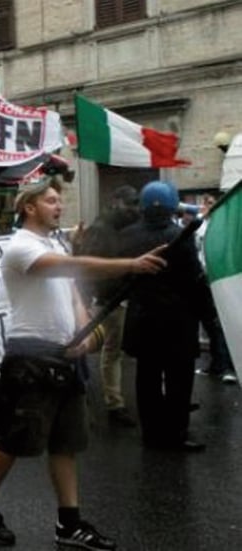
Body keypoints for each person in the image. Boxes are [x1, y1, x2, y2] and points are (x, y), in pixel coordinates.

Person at [0, 178, 166, 549]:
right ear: (29, 207)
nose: (59, 206)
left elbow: (73, 289)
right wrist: (130, 265)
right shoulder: (21, 247)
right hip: (30, 356)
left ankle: (68, 524)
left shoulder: (53, 241)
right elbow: (71, 266)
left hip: (65, 359)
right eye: (51, 200)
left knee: (65, 443)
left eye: (60, 200)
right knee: (15, 438)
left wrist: (84, 333)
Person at [119, 180, 210, 451]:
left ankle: (151, 433)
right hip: (177, 323)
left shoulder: (127, 235)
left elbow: (123, 275)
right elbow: (194, 280)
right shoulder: (179, 235)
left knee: (146, 378)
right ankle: (176, 434)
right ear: (173, 205)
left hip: (143, 319)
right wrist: (208, 315)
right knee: (178, 381)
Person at [73, 185, 141, 427]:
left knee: (111, 352)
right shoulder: (101, 229)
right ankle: (81, 398)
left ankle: (113, 403)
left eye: (137, 204)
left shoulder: (122, 228)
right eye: (131, 203)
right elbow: (87, 267)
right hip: (102, 302)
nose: (135, 209)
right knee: (84, 348)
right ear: (116, 202)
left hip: (115, 300)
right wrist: (88, 300)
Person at [194, 192, 237, 384]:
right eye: (205, 203)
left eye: (211, 202)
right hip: (205, 281)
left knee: (222, 323)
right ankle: (217, 363)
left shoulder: (226, 227)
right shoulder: (200, 226)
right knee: (211, 325)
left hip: (220, 280)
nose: (208, 206)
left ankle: (228, 366)